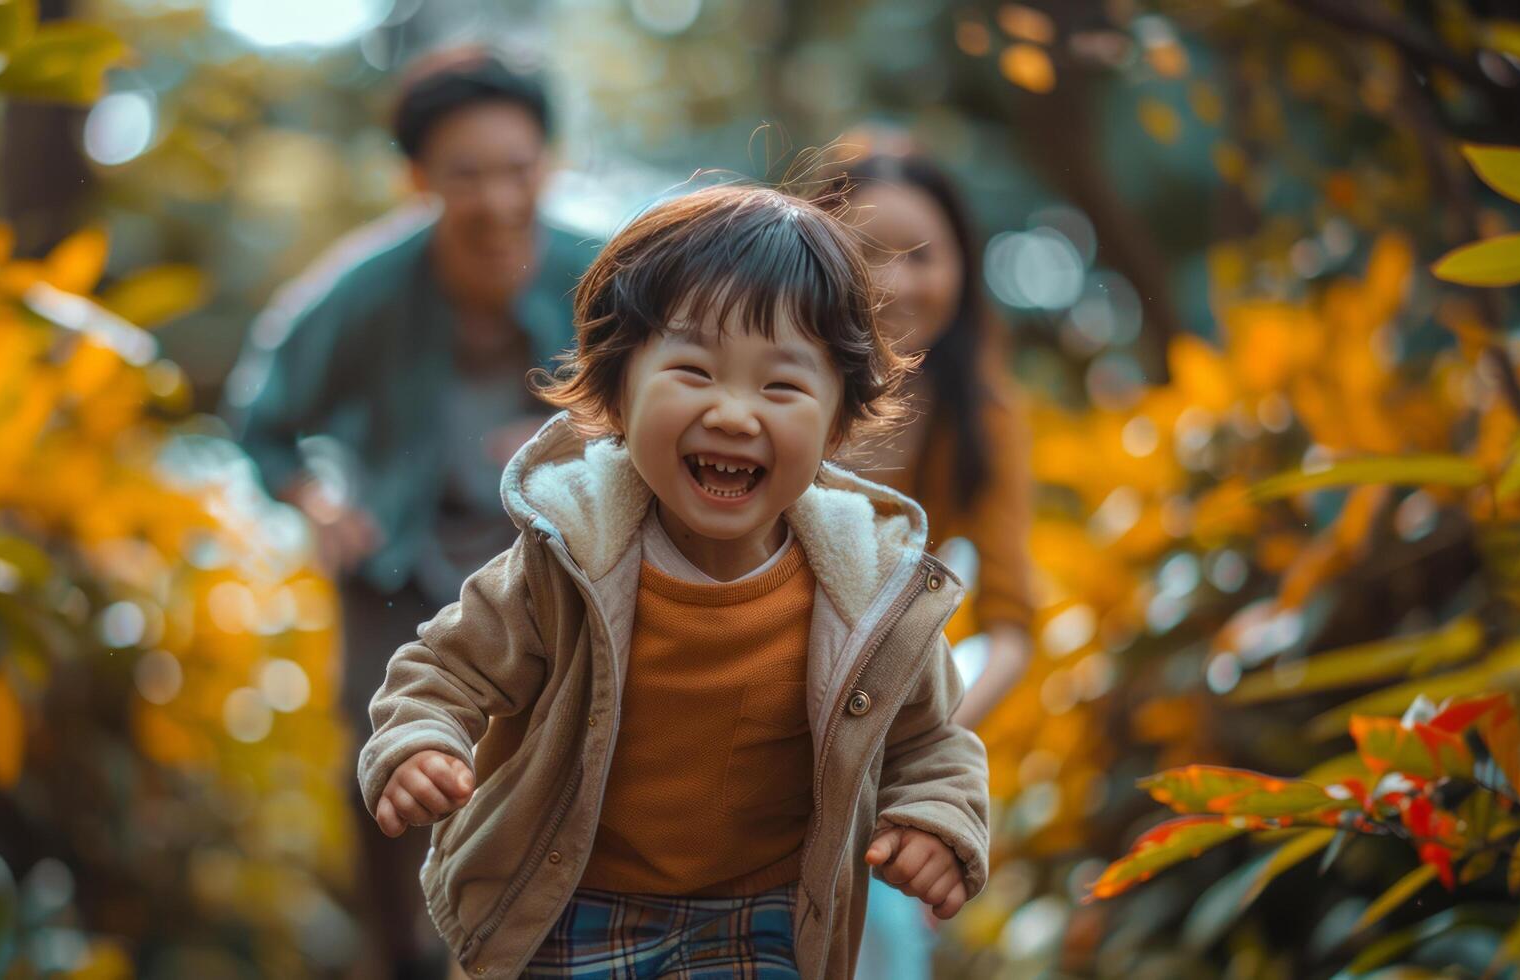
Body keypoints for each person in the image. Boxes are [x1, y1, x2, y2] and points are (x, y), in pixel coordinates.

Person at [357, 184, 991, 979]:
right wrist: (420, 742)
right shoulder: (569, 559)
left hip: (762, 918)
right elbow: (442, 669)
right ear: (618, 391)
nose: (732, 413)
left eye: (781, 386)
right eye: (692, 370)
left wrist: (936, 818)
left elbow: (929, 738)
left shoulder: (864, 588)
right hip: (571, 903)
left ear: (835, 423)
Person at [223, 48, 596, 980]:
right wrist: (318, 496)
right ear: (418, 179)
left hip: (544, 568)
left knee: (554, 770)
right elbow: (261, 415)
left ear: (548, 164)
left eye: (517, 168)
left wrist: (570, 429)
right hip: (395, 566)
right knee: (387, 774)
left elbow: (670, 400)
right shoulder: (367, 286)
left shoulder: (605, 273)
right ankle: (393, 953)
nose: (496, 199)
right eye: (465, 174)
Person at [824, 146, 1039, 980]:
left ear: (963, 265)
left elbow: (1012, 630)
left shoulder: (981, 414)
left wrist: (911, 759)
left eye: (922, 256)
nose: (898, 284)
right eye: (869, 254)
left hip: (884, 739)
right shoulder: (768, 383)